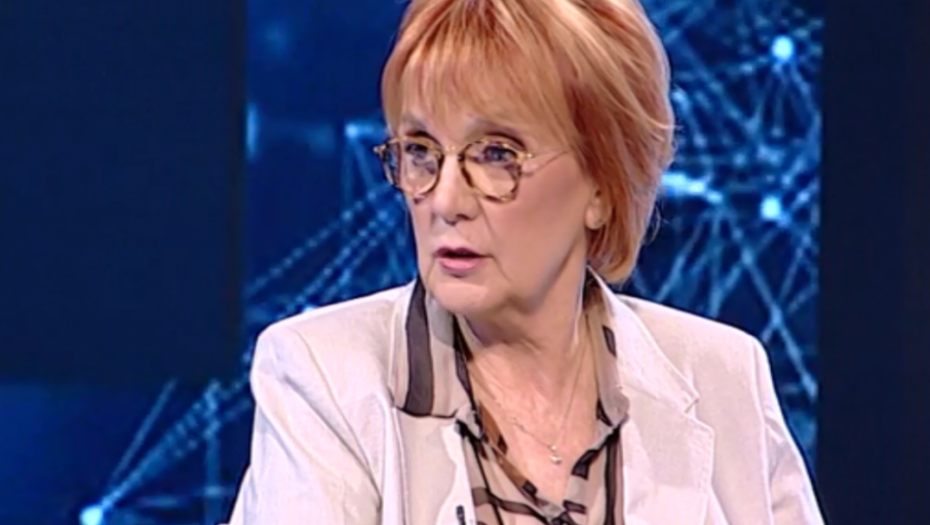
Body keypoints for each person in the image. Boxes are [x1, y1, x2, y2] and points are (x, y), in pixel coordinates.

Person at [227, 0, 824, 523]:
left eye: (495, 154)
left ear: (602, 183)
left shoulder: (724, 378)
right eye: (421, 151)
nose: (445, 201)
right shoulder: (325, 379)